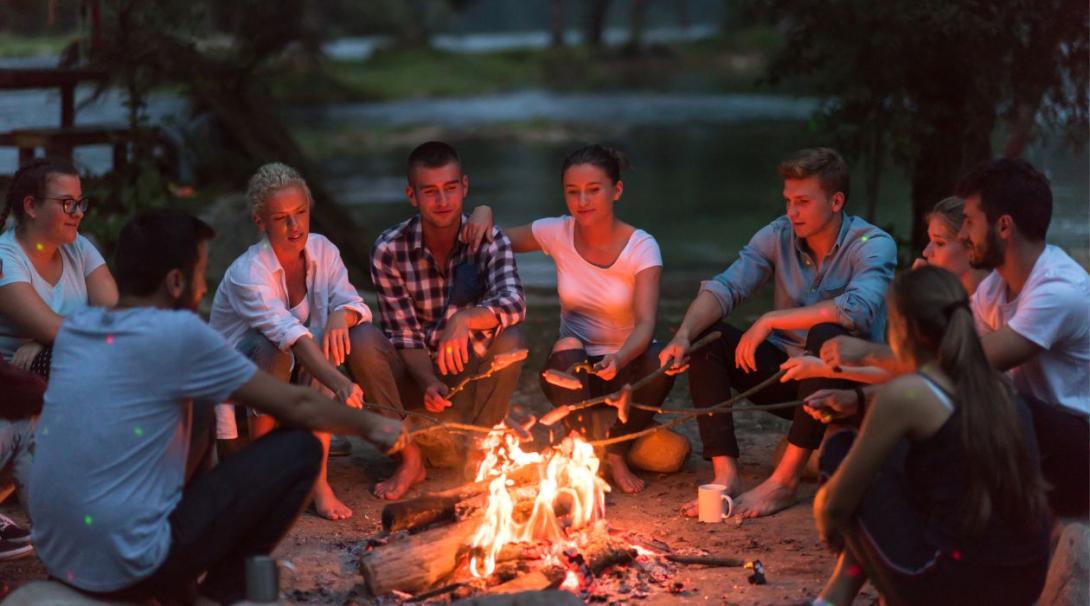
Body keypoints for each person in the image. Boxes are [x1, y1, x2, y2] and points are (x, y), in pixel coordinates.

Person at [28, 209, 404, 604]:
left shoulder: (78, 329)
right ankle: (220, 595)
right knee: (302, 448)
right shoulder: (178, 334)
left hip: (60, 556)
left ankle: (180, 593)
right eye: (200, 276)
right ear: (176, 281)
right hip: (129, 567)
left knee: (205, 403)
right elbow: (298, 405)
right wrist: (373, 427)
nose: (203, 291)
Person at [815, 158, 1089, 516]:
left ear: (1003, 226)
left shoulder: (1059, 290)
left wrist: (866, 367)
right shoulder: (994, 286)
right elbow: (943, 363)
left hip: (1073, 446)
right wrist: (862, 393)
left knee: (975, 398)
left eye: (971, 222)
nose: (963, 235)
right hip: (1022, 430)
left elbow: (969, 364)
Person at [658, 148, 897, 518]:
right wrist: (683, 335)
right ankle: (726, 475)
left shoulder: (873, 243)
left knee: (827, 333)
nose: (791, 212)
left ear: (836, 201)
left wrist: (771, 319)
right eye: (788, 200)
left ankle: (785, 480)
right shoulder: (777, 235)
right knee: (711, 337)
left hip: (844, 383)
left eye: (802, 202)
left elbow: (858, 310)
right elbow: (726, 287)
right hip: (787, 378)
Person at [809, 266, 1050, 606]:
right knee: (901, 461)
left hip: (952, 585)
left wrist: (832, 521)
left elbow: (836, 504)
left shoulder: (908, 395)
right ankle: (834, 598)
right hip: (1026, 581)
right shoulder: (999, 387)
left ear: (905, 329)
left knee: (839, 449)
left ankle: (833, 599)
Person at [469, 144, 672, 493]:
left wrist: (620, 357)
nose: (583, 201)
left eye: (593, 190)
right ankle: (586, 445)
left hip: (627, 364)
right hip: (572, 369)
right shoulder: (556, 232)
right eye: (573, 192)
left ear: (616, 190)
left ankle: (617, 454)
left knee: (661, 359)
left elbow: (645, 324)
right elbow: (494, 239)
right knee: (567, 346)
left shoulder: (642, 247)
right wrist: (483, 209)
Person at [354, 141, 526, 501]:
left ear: (464, 187)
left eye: (450, 188)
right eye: (430, 192)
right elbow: (403, 334)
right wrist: (428, 380)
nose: (443, 201)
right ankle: (410, 458)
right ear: (411, 195)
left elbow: (514, 302)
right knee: (363, 340)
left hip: (469, 376)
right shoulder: (389, 249)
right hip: (414, 380)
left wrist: (465, 318)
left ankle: (480, 451)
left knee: (512, 339)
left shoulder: (489, 240)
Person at [210, 162, 373, 521]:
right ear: (260, 222)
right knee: (275, 347)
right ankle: (265, 473)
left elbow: (354, 302)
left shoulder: (323, 251)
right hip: (245, 397)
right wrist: (341, 384)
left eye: (300, 213)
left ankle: (318, 484)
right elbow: (289, 336)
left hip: (296, 386)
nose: (294, 226)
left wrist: (338, 316)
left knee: (326, 344)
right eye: (282, 217)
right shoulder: (248, 273)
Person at [781, 196, 989, 385]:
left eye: (939, 243)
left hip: (960, 411)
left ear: (971, 246)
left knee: (826, 338)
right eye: (929, 241)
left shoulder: (986, 302)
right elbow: (906, 367)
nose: (926, 252)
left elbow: (920, 372)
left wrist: (827, 369)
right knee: (824, 335)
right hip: (926, 396)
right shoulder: (952, 300)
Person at [0, 158, 117, 377]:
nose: (79, 213)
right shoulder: (5, 259)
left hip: (67, 357)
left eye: (80, 203)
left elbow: (117, 314)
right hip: (18, 380)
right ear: (31, 206)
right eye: (67, 203)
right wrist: (51, 339)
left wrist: (45, 342)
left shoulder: (78, 246)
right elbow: (51, 328)